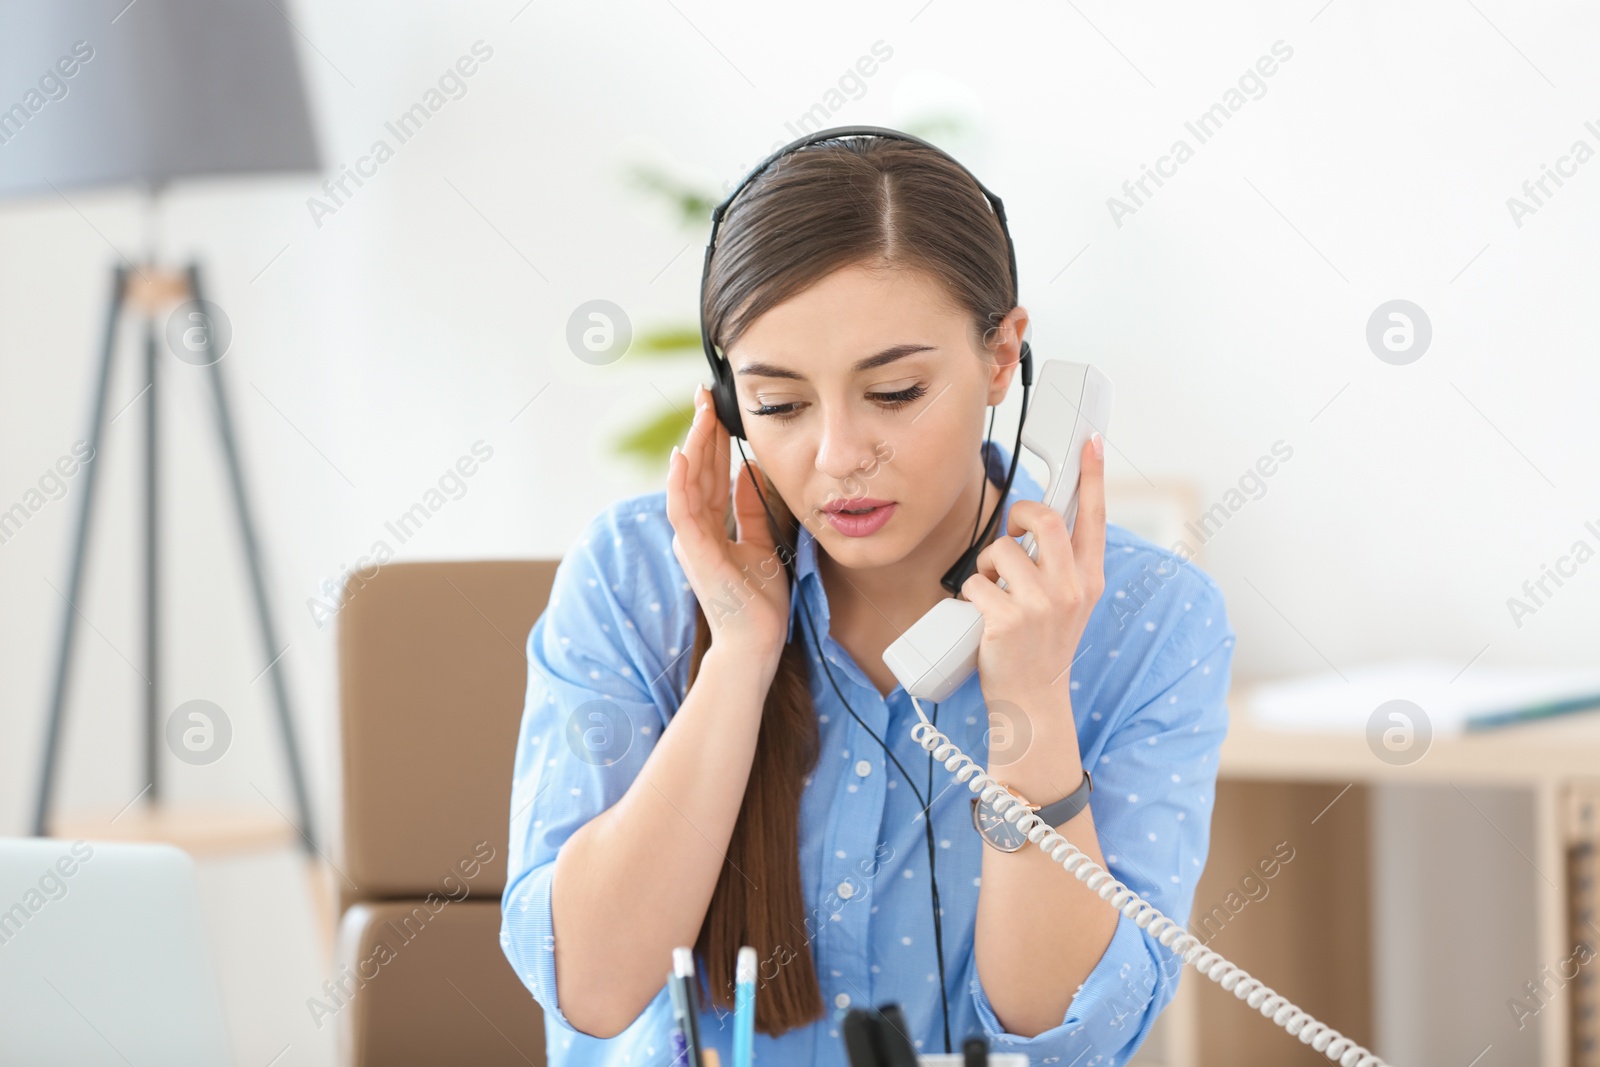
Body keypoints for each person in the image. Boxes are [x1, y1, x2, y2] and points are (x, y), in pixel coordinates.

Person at [501, 133, 1235, 1067]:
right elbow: (595, 989)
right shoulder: (631, 576)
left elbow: (1064, 1034)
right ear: (727, 402)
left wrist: (1031, 704)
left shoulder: (1151, 618)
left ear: (1005, 356)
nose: (839, 454)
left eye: (894, 391)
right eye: (780, 405)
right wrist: (738, 655)